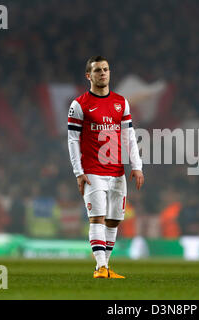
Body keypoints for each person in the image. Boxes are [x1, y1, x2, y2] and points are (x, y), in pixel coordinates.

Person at [67, 56, 144, 278]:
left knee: (114, 220)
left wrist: (136, 166)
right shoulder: (79, 104)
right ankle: (100, 267)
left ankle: (105, 267)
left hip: (117, 171)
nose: (103, 73)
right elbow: (72, 140)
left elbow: (129, 137)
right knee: (97, 218)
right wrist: (78, 172)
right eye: (98, 70)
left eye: (106, 69)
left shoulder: (121, 102)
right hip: (92, 172)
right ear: (88, 76)